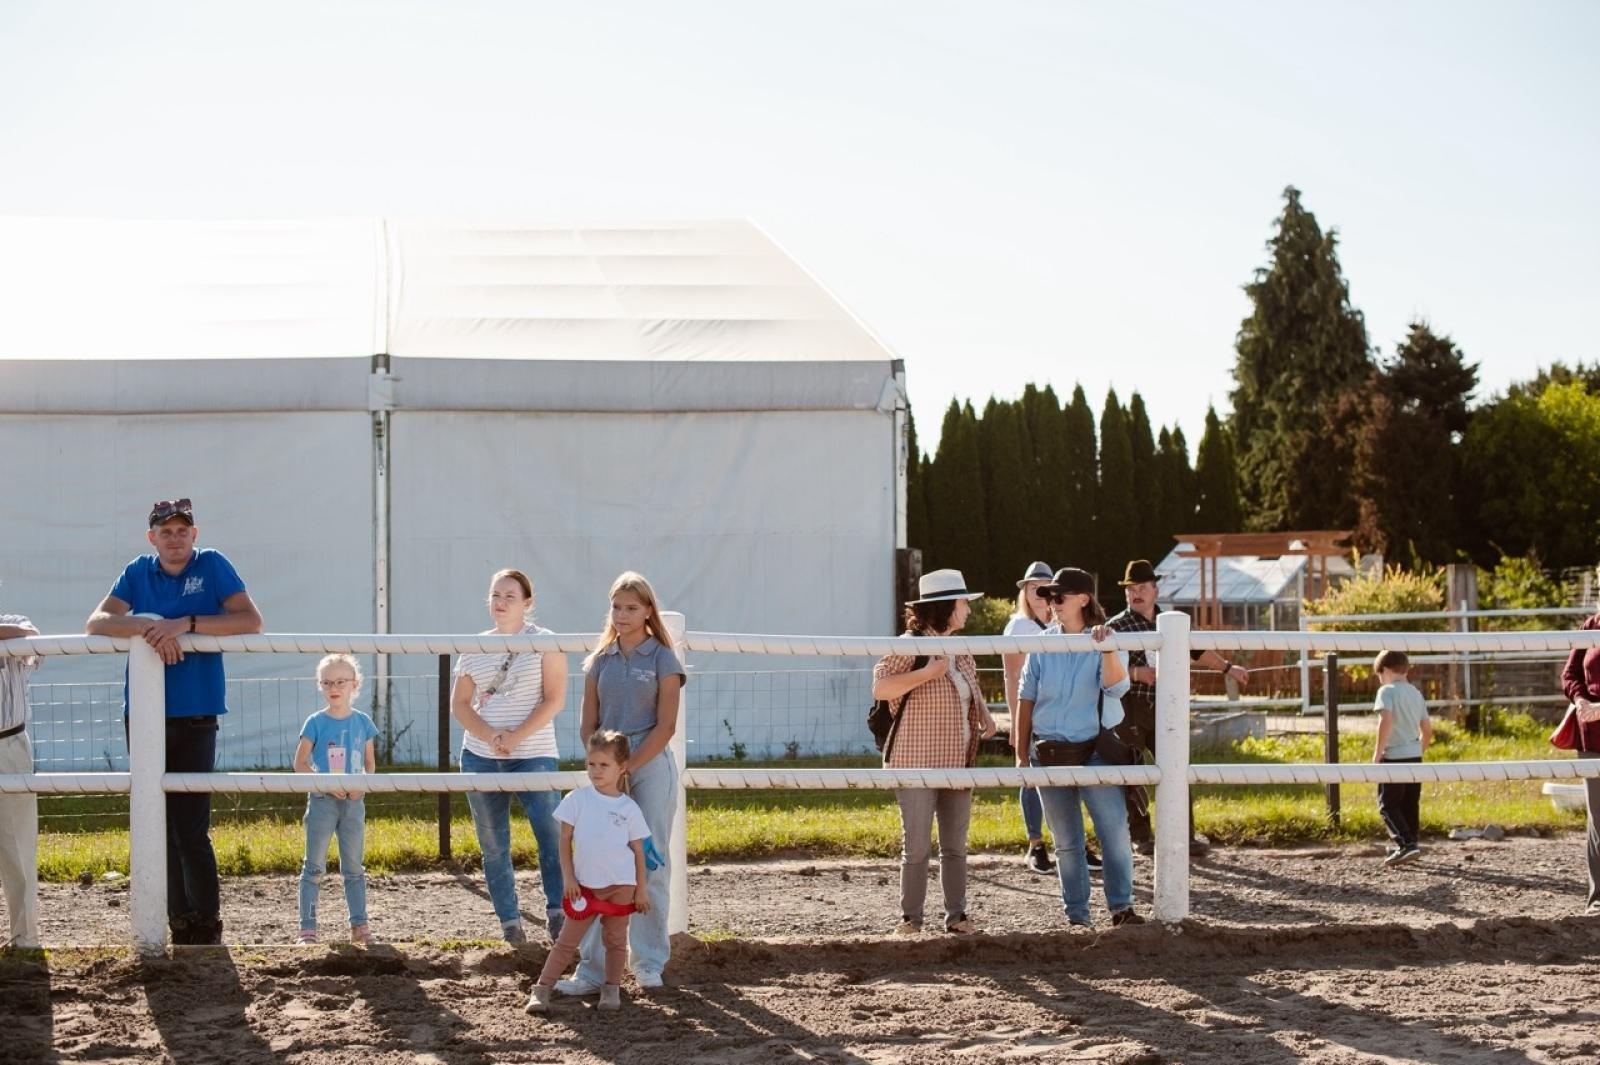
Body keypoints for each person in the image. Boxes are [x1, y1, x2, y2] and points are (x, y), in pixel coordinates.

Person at [85, 498, 263, 945]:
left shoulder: (214, 565)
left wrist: (187, 624)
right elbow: (98, 622)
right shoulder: (137, 571)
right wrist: (153, 627)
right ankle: (172, 919)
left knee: (191, 825)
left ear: (194, 534)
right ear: (152, 538)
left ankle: (205, 924)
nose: (175, 538)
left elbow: (250, 620)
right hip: (144, 716)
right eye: (166, 531)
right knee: (154, 820)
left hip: (198, 713)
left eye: (182, 530)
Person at [555, 572, 683, 994]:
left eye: (632, 608)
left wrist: (628, 768)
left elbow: (665, 726)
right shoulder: (599, 661)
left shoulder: (663, 658)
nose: (623, 615)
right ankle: (592, 970)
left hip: (648, 766)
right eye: (617, 607)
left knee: (650, 860)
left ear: (648, 611)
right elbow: (587, 722)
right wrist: (605, 768)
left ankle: (649, 961)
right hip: (609, 769)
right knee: (598, 863)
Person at [1017, 567, 1141, 928]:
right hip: (1049, 752)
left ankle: (1121, 907)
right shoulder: (1042, 645)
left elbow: (1118, 688)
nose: (1051, 603)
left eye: (1059, 596)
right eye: (1048, 597)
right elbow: (1026, 698)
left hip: (1094, 750)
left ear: (1083, 599)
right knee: (1066, 842)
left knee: (1114, 832)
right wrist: (1022, 753)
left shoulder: (1104, 639)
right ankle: (1077, 916)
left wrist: (1106, 650)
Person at [872, 568, 995, 935]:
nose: (968, 611)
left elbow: (969, 688)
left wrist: (985, 715)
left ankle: (956, 916)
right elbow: (880, 687)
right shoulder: (908, 646)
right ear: (946, 607)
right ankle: (911, 920)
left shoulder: (962, 651)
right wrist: (928, 673)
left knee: (956, 844)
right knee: (918, 846)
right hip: (915, 760)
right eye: (963, 604)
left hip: (957, 761)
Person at [450, 568, 568, 944]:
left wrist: (517, 737)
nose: (500, 603)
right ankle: (510, 923)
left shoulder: (545, 642)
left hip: (534, 754)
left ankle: (558, 913)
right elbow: (461, 705)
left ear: (528, 603)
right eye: (495, 595)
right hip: (481, 755)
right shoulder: (475, 646)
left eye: (509, 596)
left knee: (551, 833)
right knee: (493, 843)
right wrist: (491, 736)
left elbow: (555, 699)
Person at [1106, 559, 1248, 857]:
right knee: (1134, 771)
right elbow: (1104, 667)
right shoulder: (1115, 627)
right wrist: (1135, 673)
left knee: (1176, 768)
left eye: (1142, 588)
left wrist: (1228, 668)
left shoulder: (1171, 622)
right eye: (1131, 590)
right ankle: (1141, 836)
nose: (1136, 595)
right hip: (1128, 706)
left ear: (1155, 590)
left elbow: (1197, 650)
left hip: (1163, 706)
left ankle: (1184, 835)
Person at [526, 730, 651, 1013]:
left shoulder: (629, 808)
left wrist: (640, 889)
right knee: (566, 941)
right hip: (584, 888)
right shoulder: (576, 799)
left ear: (621, 768)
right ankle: (542, 989)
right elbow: (564, 840)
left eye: (604, 765)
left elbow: (639, 852)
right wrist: (569, 878)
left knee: (616, 940)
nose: (596, 771)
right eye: (591, 764)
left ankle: (611, 989)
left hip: (621, 886)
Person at [1005, 561, 1091, 875]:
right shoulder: (1019, 627)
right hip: (1033, 714)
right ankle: (1036, 843)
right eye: (1032, 587)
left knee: (1070, 779)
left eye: (1045, 587)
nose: (1039, 593)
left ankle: (1074, 843)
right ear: (1024, 593)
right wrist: (1018, 725)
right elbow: (1013, 678)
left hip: (1060, 717)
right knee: (1030, 776)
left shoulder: (1060, 624)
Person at [294, 654, 379, 943]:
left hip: (354, 805)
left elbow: (370, 764)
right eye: (327, 682)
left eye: (341, 681)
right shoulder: (315, 722)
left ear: (354, 684)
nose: (335, 687)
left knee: (354, 866)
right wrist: (327, 785)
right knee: (314, 865)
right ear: (320, 686)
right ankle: (307, 929)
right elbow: (300, 764)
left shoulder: (364, 723)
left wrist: (362, 786)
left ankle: (359, 925)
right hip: (322, 802)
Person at [0, 602, 40, 949]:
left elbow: (34, 640)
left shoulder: (14, 621)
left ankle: (24, 938)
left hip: (8, 743)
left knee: (16, 845)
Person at [1371, 650, 1432, 866]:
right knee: (1409, 803)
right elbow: (1427, 730)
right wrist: (1418, 751)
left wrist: (1378, 753)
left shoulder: (1386, 691)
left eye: (1379, 675)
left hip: (1394, 756)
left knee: (1387, 804)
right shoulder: (1416, 693)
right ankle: (1410, 842)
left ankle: (1406, 844)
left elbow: (1385, 721)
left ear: (1385, 670)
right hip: (1415, 757)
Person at [1560, 601, 1600, 915]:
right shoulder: (1591, 625)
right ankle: (1597, 896)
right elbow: (1570, 673)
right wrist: (1581, 698)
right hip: (1593, 735)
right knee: (1597, 817)